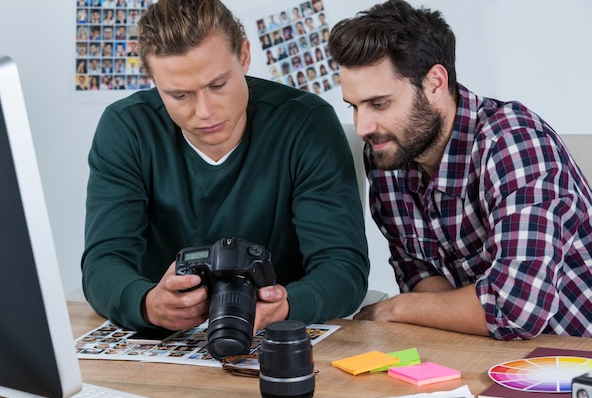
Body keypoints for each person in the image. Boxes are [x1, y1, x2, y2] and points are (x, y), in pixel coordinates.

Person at [82, 0, 369, 333]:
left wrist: (286, 305)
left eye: (217, 85)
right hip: (166, 340)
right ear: (155, 84)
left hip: (277, 335)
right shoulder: (126, 128)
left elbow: (343, 268)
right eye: (179, 95)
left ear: (244, 57)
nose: (204, 111)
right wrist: (146, 304)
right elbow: (103, 262)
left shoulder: (307, 123)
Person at [328, 0, 592, 340]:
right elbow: (416, 273)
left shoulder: (513, 144)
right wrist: (465, 312)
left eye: (379, 104)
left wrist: (394, 308)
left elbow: (514, 309)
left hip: (574, 360)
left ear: (435, 83)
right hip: (482, 356)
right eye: (354, 106)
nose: (362, 127)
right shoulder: (388, 153)